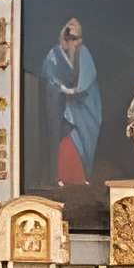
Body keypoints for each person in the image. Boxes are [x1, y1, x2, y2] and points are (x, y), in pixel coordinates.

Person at [36, 17, 101, 189]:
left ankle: (81, 177)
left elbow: (85, 81)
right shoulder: (54, 54)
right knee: (67, 142)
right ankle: (63, 177)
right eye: (68, 37)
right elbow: (48, 78)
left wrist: (72, 91)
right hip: (62, 110)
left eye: (75, 38)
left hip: (84, 109)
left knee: (81, 142)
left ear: (81, 39)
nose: (71, 41)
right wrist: (61, 89)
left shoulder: (84, 53)